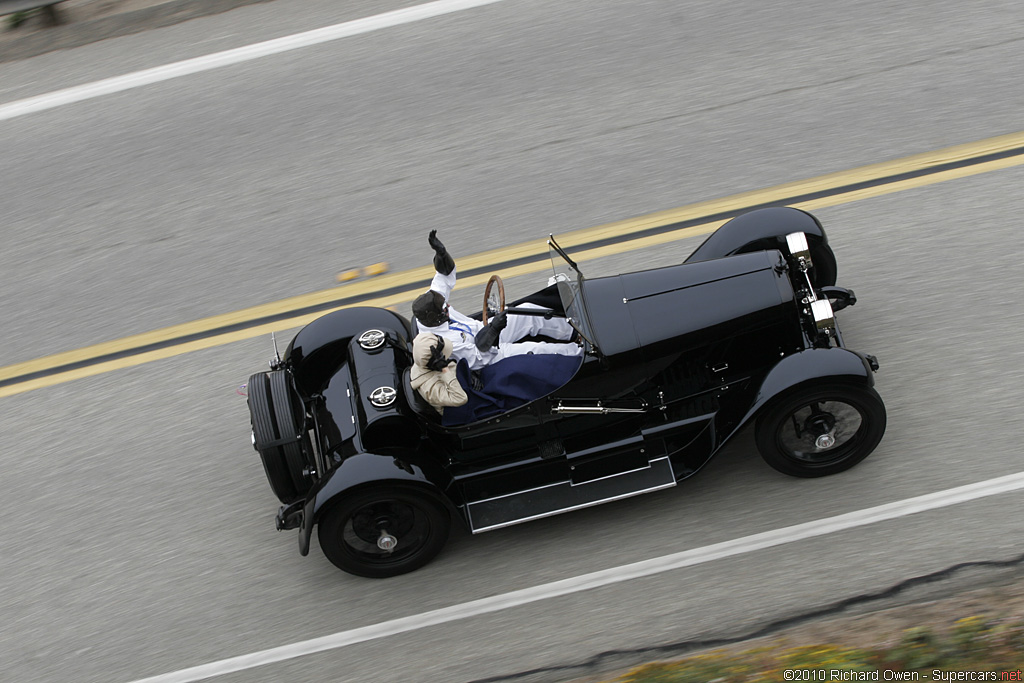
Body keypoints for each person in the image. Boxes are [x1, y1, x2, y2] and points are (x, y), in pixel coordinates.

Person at [411, 231, 584, 371]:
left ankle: (574, 333)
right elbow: (480, 357)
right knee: (537, 350)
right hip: (492, 356)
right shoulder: (445, 343)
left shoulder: (432, 304)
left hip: (485, 329)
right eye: (444, 308)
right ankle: (581, 354)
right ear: (434, 317)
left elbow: (444, 275)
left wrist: (441, 253)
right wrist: (494, 329)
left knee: (527, 310)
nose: (447, 305)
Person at [409, 332, 468, 415]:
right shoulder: (430, 389)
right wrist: (445, 369)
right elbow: (461, 398)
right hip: (456, 409)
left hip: (461, 381)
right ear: (435, 362)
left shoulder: (421, 361)